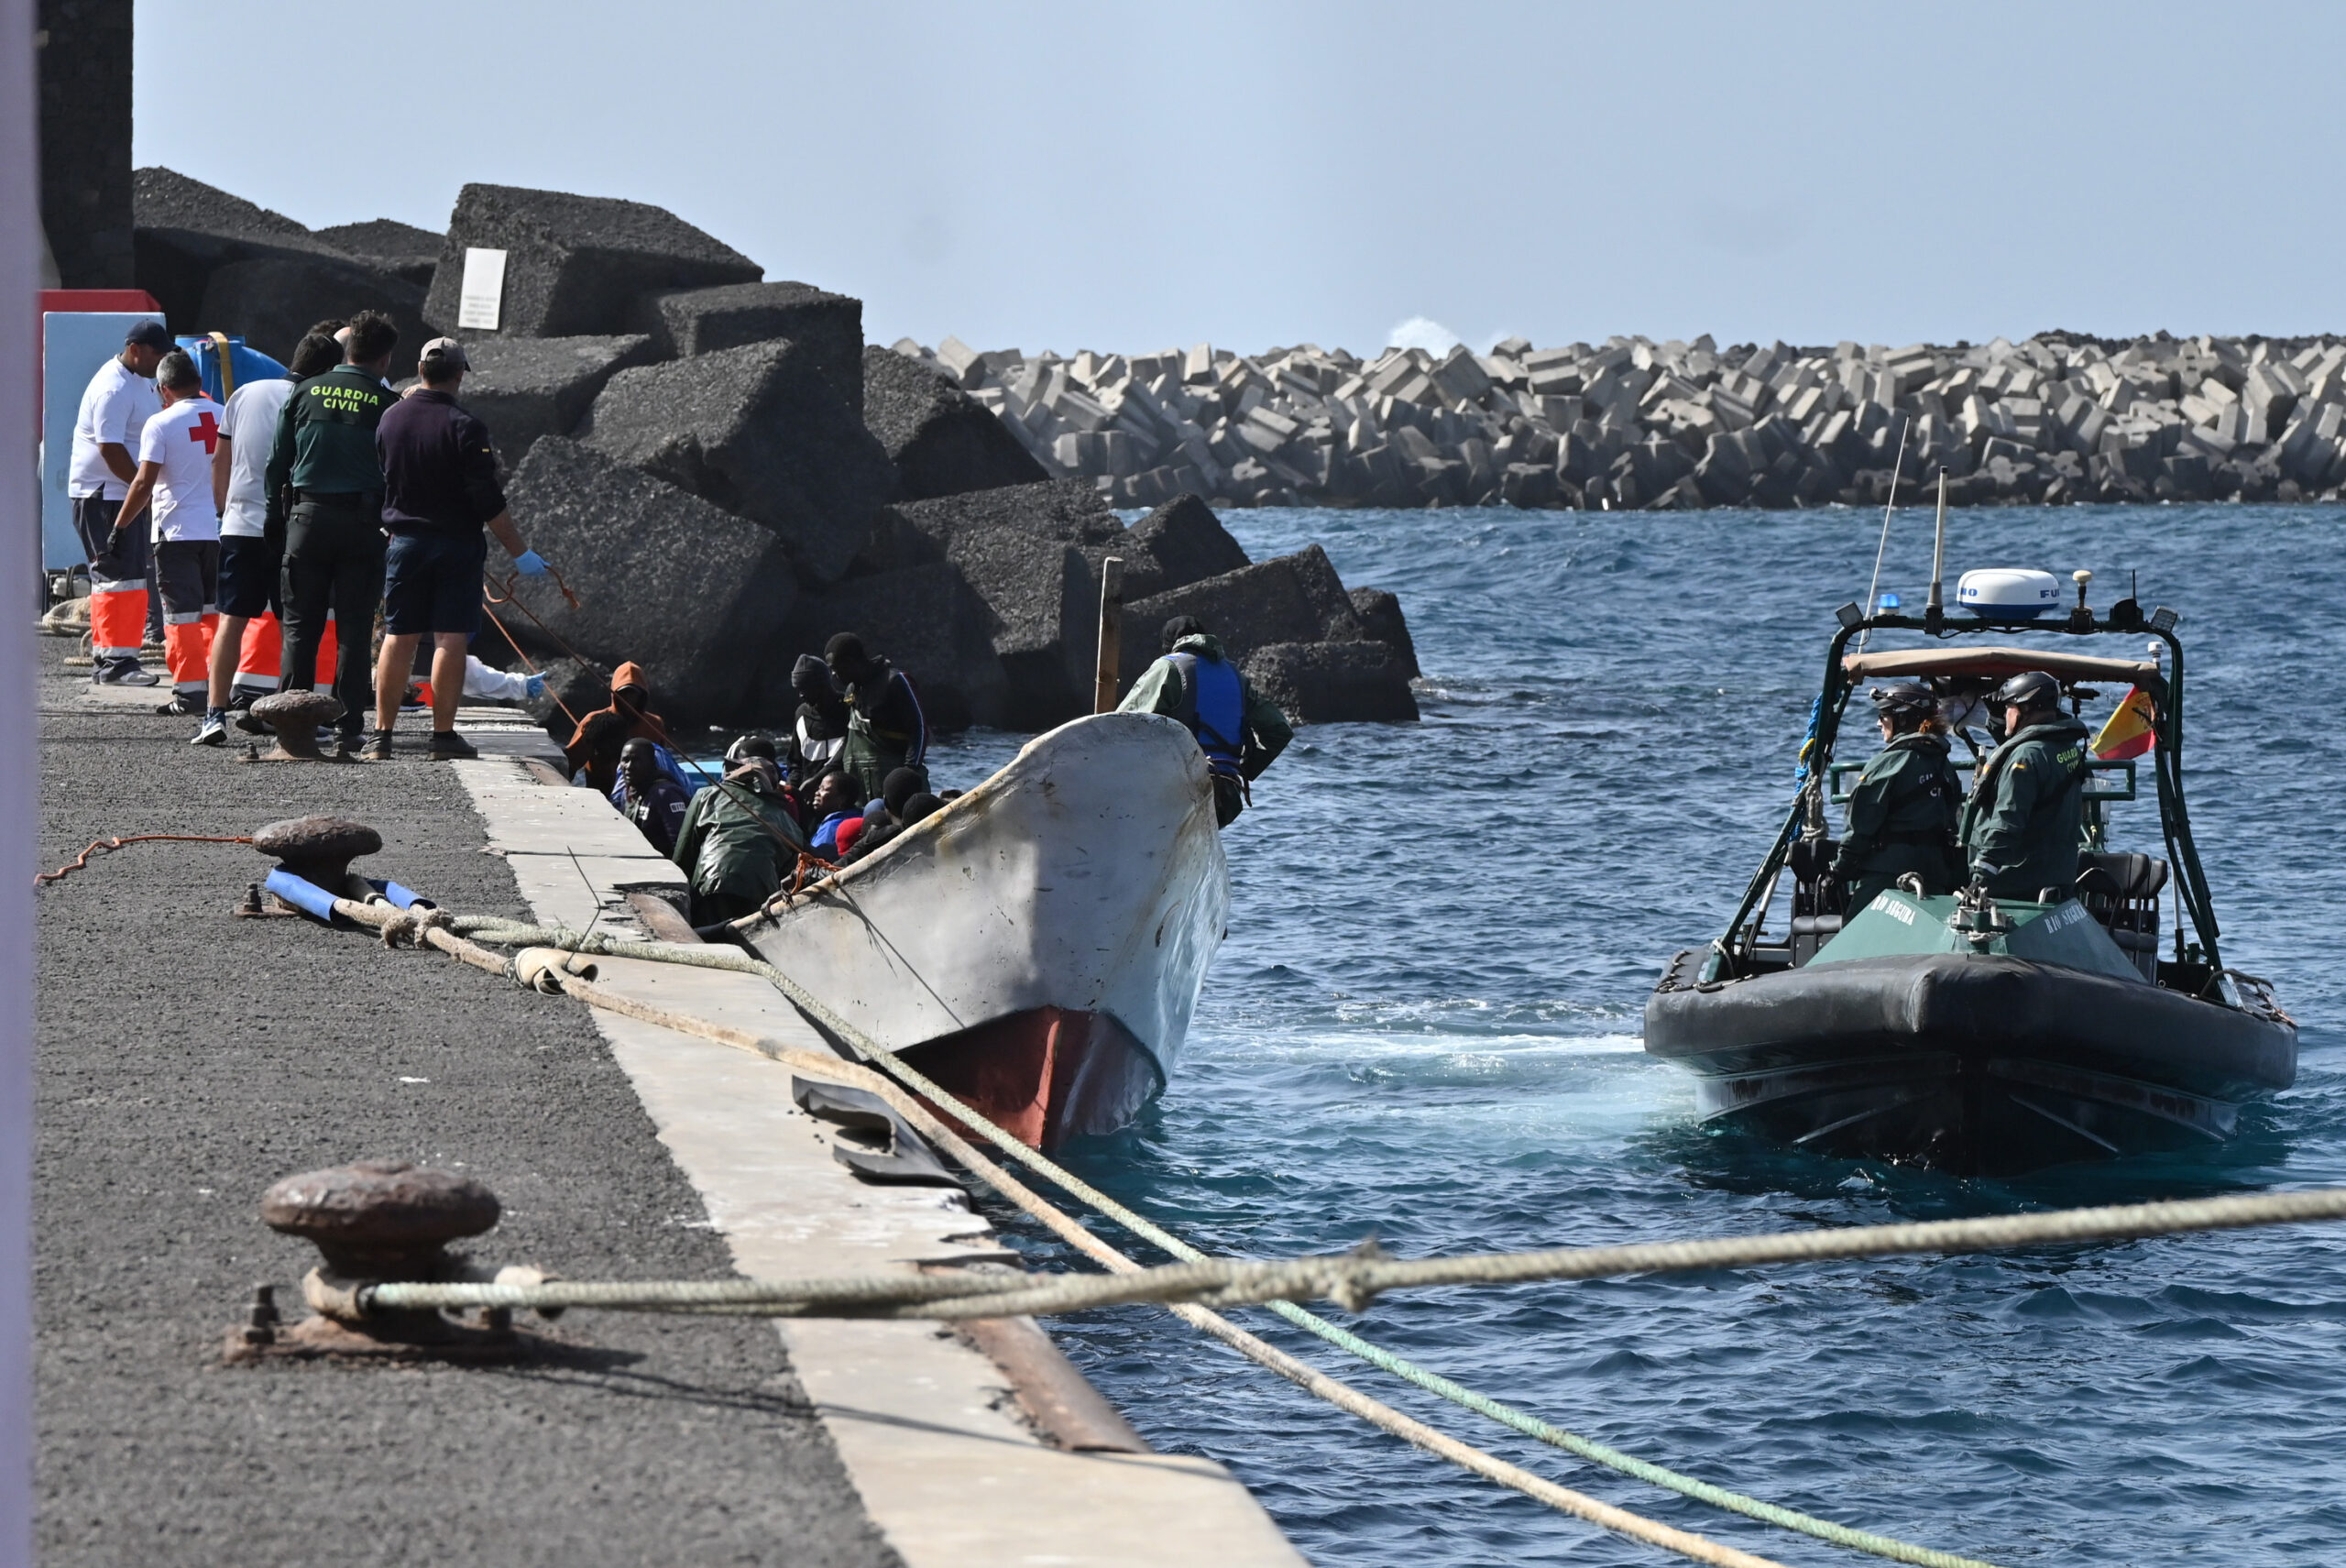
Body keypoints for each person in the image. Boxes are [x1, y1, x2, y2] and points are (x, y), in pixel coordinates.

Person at [367, 337, 551, 762]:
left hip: (404, 543)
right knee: (450, 638)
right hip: (455, 546)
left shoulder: (390, 419)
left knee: (399, 635)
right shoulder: (466, 426)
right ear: (459, 373)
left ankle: (381, 736)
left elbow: (384, 476)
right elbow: (487, 499)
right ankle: (443, 737)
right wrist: (521, 554)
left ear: (419, 368)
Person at [263, 308, 401, 754]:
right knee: (354, 631)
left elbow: (277, 463)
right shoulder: (387, 404)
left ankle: (294, 725)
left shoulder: (304, 392)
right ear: (384, 360)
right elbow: (396, 474)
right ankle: (349, 727)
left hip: (307, 520)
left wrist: (273, 516)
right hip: (364, 526)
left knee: (301, 627)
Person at [199, 329, 343, 743]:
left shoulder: (244, 392)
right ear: (327, 371)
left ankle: (214, 713)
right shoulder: (315, 401)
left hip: (240, 526)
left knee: (231, 621)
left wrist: (224, 510)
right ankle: (290, 715)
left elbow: (219, 458)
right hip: (292, 527)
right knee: (295, 626)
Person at [104, 351, 225, 725]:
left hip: (176, 534)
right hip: (221, 530)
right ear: (198, 382)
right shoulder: (224, 414)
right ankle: (216, 688)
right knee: (214, 614)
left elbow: (143, 482)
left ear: (163, 389)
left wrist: (120, 527)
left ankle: (189, 692)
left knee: (181, 617)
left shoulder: (160, 423)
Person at [68, 320, 171, 685]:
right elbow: (109, 447)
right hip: (104, 495)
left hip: (115, 494)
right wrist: (139, 490)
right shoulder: (113, 387)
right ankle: (115, 664)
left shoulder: (136, 382)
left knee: (126, 578)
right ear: (135, 349)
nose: (161, 362)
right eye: (157, 354)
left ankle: (114, 659)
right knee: (116, 578)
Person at [1116, 615, 1294, 827]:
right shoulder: (1235, 676)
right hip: (1225, 796)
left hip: (1175, 790)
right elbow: (1279, 731)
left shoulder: (1168, 668)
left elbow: (1121, 727)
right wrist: (1243, 770)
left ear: (1169, 648)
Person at [1958, 670, 2093, 901]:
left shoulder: (2025, 759)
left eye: (2009, 706)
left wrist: (1980, 877)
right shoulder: (2066, 746)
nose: (2006, 712)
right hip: (2055, 876)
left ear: (2026, 709)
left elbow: (2007, 822)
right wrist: (1998, 722)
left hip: (2017, 880)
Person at [1829, 683, 1964, 910]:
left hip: (1886, 878)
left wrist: (1839, 871)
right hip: (1935, 879)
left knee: (1855, 935)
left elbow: (1861, 827)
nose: (1879, 722)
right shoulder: (1945, 767)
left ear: (1902, 719)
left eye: (1884, 715)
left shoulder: (1887, 765)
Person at [670, 753, 806, 927]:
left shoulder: (705, 795)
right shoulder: (783, 817)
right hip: (760, 893)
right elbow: (795, 866)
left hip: (710, 885)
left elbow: (683, 853)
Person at [825, 633, 927, 801]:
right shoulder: (851, 691)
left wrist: (908, 773)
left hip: (896, 789)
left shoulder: (895, 682)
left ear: (851, 662)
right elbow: (851, 740)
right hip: (861, 791)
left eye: (836, 668)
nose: (834, 675)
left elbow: (920, 729)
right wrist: (825, 772)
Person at [564, 662, 668, 793]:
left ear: (642, 696)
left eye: (633, 694)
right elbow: (570, 763)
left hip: (641, 798)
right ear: (614, 694)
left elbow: (663, 765)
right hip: (602, 796)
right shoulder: (594, 722)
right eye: (623, 693)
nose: (628, 699)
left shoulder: (654, 724)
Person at [614, 737, 691, 856]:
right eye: (625, 760)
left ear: (651, 763)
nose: (629, 766)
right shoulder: (627, 793)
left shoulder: (665, 794)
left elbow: (681, 847)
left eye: (636, 760)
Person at [786, 653, 850, 793]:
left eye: (804, 689)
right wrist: (792, 791)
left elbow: (848, 751)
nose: (801, 695)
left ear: (822, 685)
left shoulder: (848, 709)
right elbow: (795, 763)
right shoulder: (801, 714)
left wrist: (817, 780)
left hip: (841, 797)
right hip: (808, 795)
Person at [804, 771, 861, 858]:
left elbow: (814, 861)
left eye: (824, 789)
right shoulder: (857, 815)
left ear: (842, 800)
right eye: (819, 788)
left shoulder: (831, 828)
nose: (817, 793)